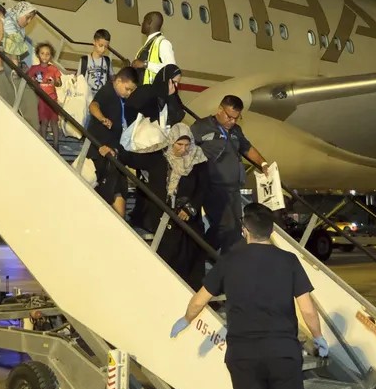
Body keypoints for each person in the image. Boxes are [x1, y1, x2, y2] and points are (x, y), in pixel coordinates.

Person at [170, 203, 329, 389]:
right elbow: (307, 309)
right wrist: (318, 336)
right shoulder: (289, 261)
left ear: (245, 230)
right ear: (271, 231)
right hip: (282, 353)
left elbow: (199, 300)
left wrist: (186, 319)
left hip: (244, 355)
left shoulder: (229, 261)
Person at [99, 123, 209, 290]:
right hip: (163, 216)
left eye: (187, 145)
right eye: (179, 144)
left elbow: (203, 188)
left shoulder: (198, 160)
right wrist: (113, 151)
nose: (183, 149)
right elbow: (133, 159)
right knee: (167, 256)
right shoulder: (160, 156)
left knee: (191, 258)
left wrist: (190, 208)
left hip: (188, 218)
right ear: (171, 141)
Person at [191, 95, 271, 253]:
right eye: (229, 116)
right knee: (227, 226)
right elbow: (186, 148)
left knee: (235, 229)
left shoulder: (236, 131)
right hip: (212, 187)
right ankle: (202, 254)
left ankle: (217, 259)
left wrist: (263, 164)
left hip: (233, 189)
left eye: (236, 118)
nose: (232, 121)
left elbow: (247, 148)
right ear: (220, 110)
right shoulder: (201, 126)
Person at [87, 67, 140, 216]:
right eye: (127, 89)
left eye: (131, 91)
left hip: (114, 151)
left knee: (118, 188)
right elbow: (93, 105)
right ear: (118, 81)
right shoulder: (108, 91)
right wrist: (102, 118)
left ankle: (119, 222)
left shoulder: (120, 99)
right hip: (101, 151)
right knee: (111, 189)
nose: (128, 93)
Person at [127, 64, 185, 132]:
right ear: (166, 79)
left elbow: (177, 117)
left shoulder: (174, 96)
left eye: (178, 83)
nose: (176, 86)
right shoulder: (146, 91)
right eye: (174, 82)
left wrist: (171, 97)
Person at [27, 42, 64, 150]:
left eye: (47, 54)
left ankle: (56, 145)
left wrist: (54, 82)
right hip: (41, 100)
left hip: (52, 99)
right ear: (38, 54)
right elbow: (28, 79)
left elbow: (59, 83)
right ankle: (43, 144)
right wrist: (33, 82)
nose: (45, 56)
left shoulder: (54, 69)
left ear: (51, 56)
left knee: (54, 122)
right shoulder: (34, 68)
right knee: (44, 122)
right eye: (42, 53)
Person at [132, 11, 175, 85]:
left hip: (154, 90)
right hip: (143, 89)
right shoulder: (147, 45)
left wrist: (145, 64)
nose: (142, 23)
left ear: (149, 22)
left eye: (144, 21)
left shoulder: (163, 43)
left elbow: (171, 69)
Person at [79, 29, 114, 100]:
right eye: (100, 45)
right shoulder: (85, 60)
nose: (103, 49)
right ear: (94, 42)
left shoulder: (107, 61)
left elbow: (112, 77)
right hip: (86, 97)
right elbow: (79, 79)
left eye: (106, 47)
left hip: (102, 97)